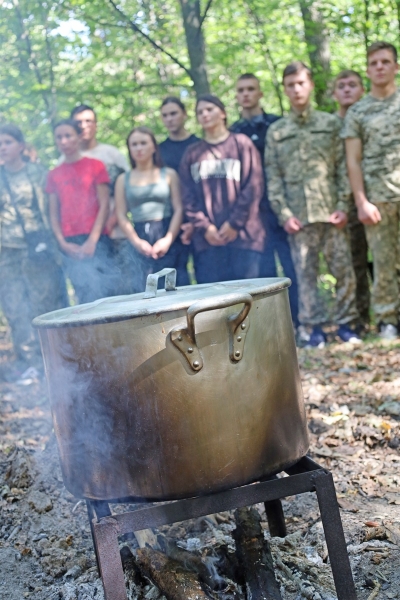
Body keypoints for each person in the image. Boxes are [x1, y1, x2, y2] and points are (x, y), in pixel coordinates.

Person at [266, 62, 360, 348]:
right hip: (299, 216)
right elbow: (273, 177)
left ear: (310, 85)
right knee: (305, 274)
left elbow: (343, 167)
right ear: (284, 89)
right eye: (290, 85)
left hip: (331, 212)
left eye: (301, 83)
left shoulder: (330, 124)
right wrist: (284, 215)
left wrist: (344, 205)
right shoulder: (277, 131)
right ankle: (313, 327)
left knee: (343, 269)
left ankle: (346, 324)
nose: (296, 89)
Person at [230, 73, 299, 328]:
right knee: (263, 271)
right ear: (236, 97)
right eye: (241, 90)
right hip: (253, 215)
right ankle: (272, 326)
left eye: (251, 89)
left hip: (283, 208)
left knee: (292, 267)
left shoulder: (278, 125)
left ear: (260, 93)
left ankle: (298, 321)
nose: (246, 94)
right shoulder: (233, 133)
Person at [343, 42, 400, 340]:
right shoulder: (359, 111)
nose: (380, 67)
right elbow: (353, 160)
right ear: (368, 70)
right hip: (378, 198)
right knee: (383, 261)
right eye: (374, 63)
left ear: (396, 67)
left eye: (385, 61)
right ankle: (388, 319)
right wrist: (361, 201)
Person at [0, 124, 65, 378]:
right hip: (7, 253)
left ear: (20, 146)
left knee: (44, 303)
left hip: (37, 250)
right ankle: (30, 365)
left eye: (7, 142)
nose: (2, 147)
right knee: (15, 307)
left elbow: (51, 210)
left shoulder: (38, 173)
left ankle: (54, 361)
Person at [179, 94, 265, 283]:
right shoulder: (192, 154)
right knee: (213, 307)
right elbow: (187, 197)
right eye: (200, 112)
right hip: (207, 242)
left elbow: (253, 186)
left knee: (247, 302)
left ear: (223, 113)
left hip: (244, 238)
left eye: (210, 109)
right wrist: (206, 227)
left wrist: (234, 224)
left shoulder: (242, 144)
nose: (205, 114)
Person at [47, 119, 112, 305]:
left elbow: (104, 203)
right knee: (83, 295)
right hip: (70, 243)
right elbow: (53, 213)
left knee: (105, 293)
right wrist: (62, 243)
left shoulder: (96, 165)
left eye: (68, 135)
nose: (64, 141)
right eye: (59, 137)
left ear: (78, 137)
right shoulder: (53, 174)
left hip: (98, 239)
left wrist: (92, 240)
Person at [70, 104, 131, 295]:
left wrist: (113, 218)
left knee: (123, 288)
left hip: (116, 233)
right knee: (92, 291)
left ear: (96, 125)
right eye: (78, 122)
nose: (84, 126)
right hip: (86, 240)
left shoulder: (111, 154)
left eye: (88, 121)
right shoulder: (67, 160)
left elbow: (129, 188)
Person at [114, 126, 183, 291]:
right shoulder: (123, 179)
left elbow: (179, 208)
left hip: (167, 232)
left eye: (143, 143)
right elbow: (121, 215)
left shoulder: (169, 174)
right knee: (143, 287)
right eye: (134, 144)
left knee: (173, 286)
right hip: (138, 235)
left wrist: (167, 239)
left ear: (153, 147)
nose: (139, 148)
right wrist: (137, 242)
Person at [333, 70, 370, 330]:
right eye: (341, 86)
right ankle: (360, 318)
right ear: (334, 93)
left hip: (377, 198)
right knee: (353, 262)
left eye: (353, 85)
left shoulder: (372, 117)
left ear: (362, 90)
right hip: (344, 206)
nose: (347, 90)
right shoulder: (327, 125)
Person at [159, 97, 200, 285]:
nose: (170, 119)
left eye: (174, 113)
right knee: (178, 279)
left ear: (184, 114)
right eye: (165, 115)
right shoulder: (158, 152)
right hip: (171, 226)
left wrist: (194, 221)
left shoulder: (200, 146)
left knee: (205, 277)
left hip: (201, 222)